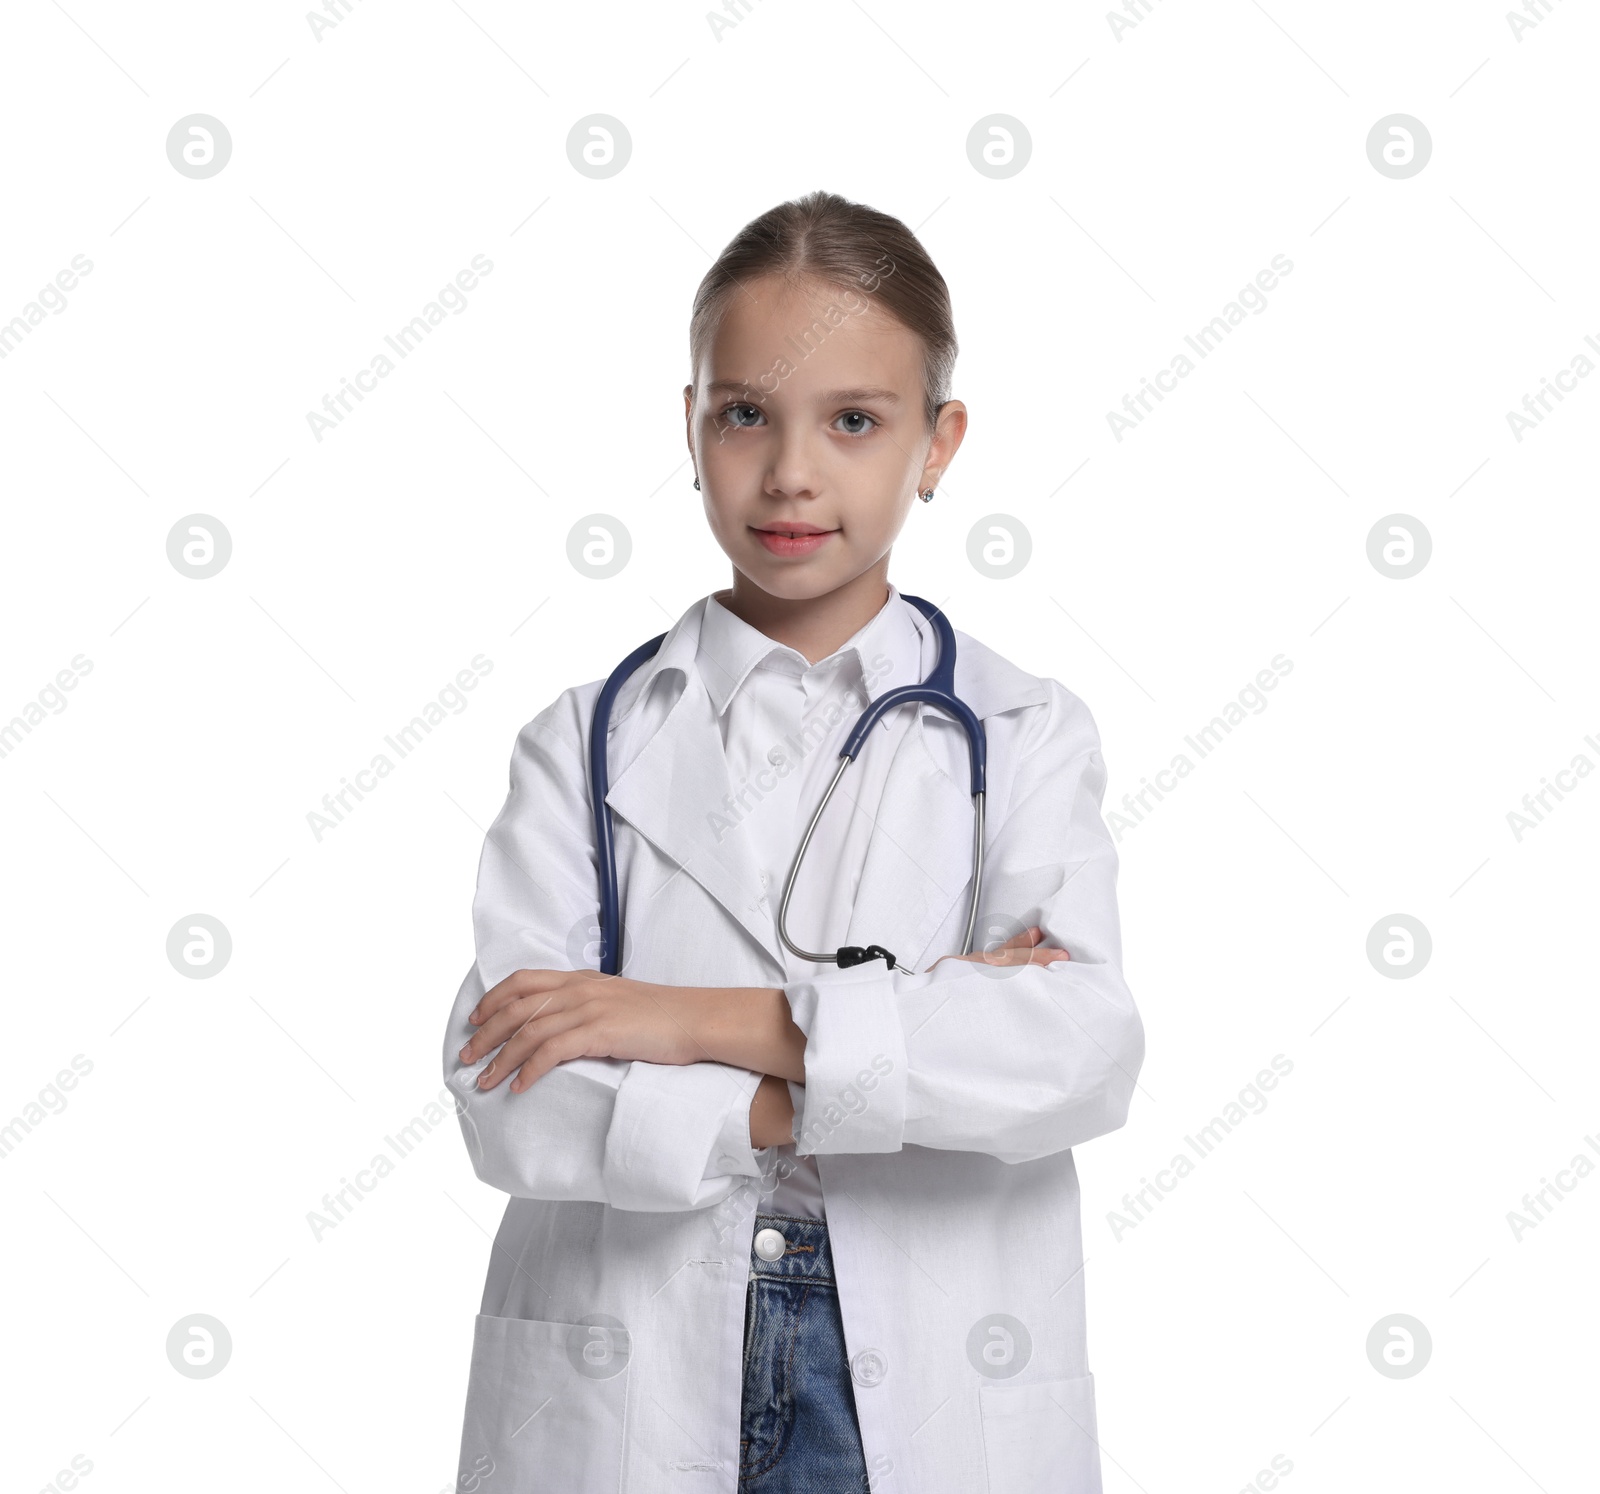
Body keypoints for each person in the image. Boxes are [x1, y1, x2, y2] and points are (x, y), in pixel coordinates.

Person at [442, 188, 1145, 1494]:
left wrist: (668, 1015)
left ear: (938, 447)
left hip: (931, 1382)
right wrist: (865, 1075)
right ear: (693, 426)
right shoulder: (581, 740)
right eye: (746, 414)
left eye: (857, 421)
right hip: (629, 1376)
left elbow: (1077, 1052)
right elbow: (510, 1095)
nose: (792, 472)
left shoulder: (1022, 731)